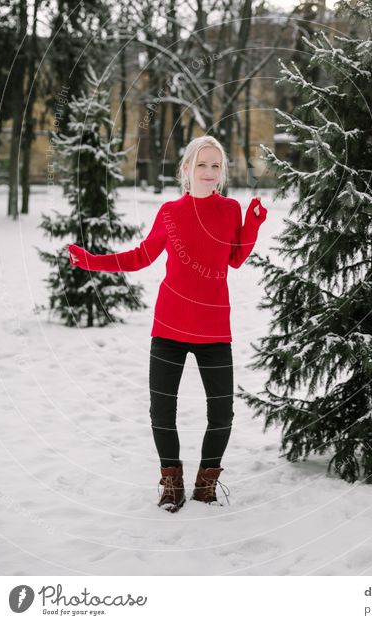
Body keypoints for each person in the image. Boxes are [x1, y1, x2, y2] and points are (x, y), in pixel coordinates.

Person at [68, 135, 268, 512]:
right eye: (202, 164)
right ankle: (171, 483)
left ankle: (206, 485)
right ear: (186, 169)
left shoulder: (229, 210)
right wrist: (90, 261)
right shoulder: (170, 213)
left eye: (216, 166)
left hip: (213, 331)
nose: (209, 172)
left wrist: (253, 224)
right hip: (169, 328)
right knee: (162, 411)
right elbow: (141, 256)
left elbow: (236, 257)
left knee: (221, 412)